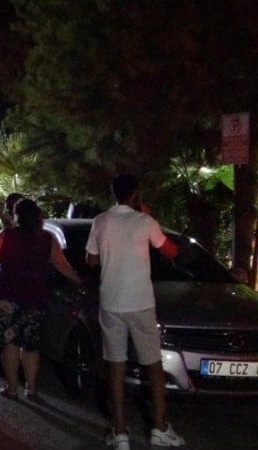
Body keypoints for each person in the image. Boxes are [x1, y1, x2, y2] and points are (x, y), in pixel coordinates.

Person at [85, 174, 184, 449]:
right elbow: (171, 252)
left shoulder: (100, 221)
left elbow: (91, 260)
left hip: (111, 302)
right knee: (153, 365)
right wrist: (148, 219)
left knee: (115, 366)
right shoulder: (145, 221)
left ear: (113, 193)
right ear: (136, 194)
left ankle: (120, 432)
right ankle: (159, 428)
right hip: (141, 303)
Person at [0, 198, 82, 400]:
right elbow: (61, 265)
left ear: (17, 216)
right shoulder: (46, 239)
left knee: (10, 342)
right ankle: (31, 388)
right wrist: (80, 281)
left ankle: (12, 388)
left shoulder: (8, 235)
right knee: (31, 344)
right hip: (34, 295)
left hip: (8, 294)